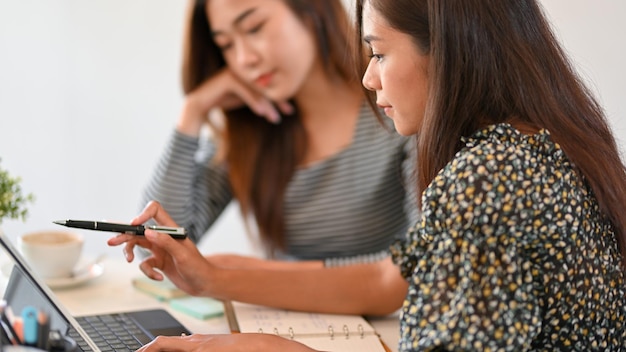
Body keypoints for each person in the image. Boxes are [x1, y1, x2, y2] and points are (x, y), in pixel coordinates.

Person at [110, 0, 626, 350]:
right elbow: (170, 227)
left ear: (448, 50)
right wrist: (193, 113)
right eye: (226, 42)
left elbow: (394, 277)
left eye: (377, 52)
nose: (368, 74)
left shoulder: (480, 179)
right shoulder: (537, 147)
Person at [142, 0, 417, 268]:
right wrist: (194, 110)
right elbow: (157, 244)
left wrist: (238, 277)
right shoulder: (248, 132)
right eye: (226, 44)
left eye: (254, 28)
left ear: (312, 10)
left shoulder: (399, 112)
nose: (244, 59)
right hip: (274, 314)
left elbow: (420, 261)